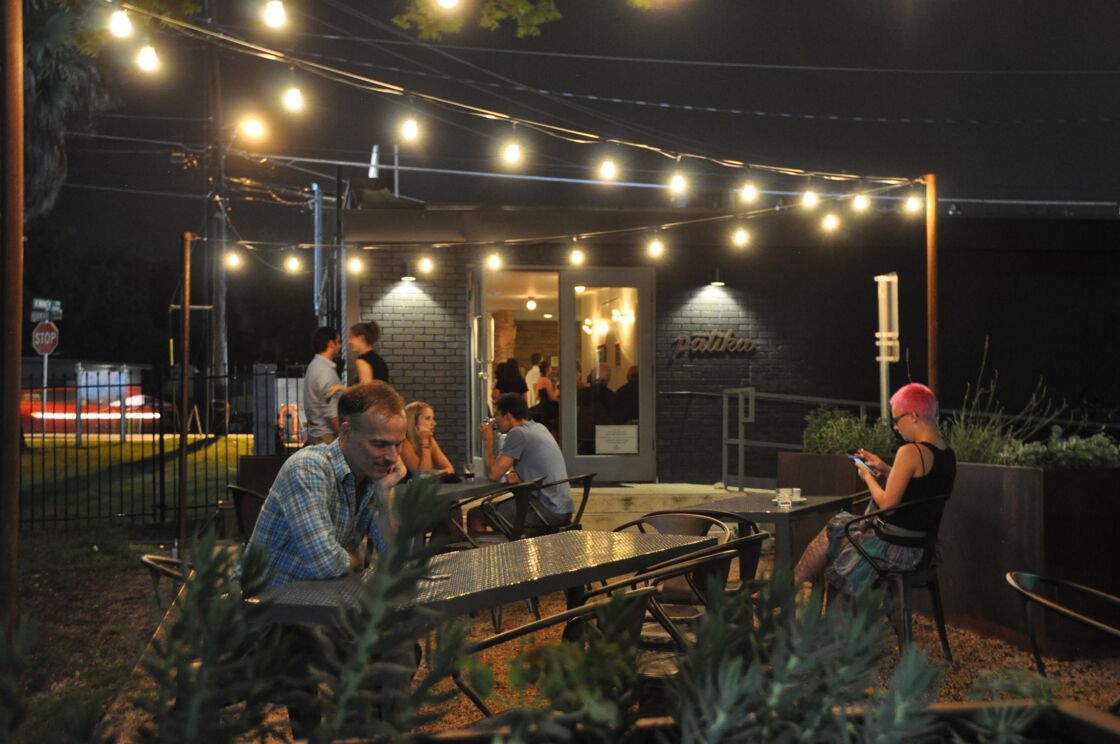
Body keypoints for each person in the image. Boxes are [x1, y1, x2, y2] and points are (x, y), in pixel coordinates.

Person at [793, 383, 957, 596]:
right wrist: (887, 469)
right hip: (923, 548)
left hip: (894, 549)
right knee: (841, 527)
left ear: (914, 416)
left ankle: (790, 588)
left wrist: (867, 477)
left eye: (897, 420)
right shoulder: (947, 454)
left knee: (836, 529)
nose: (895, 428)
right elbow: (921, 487)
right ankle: (791, 586)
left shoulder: (910, 451)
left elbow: (887, 506)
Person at [242, 381, 408, 586]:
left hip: (316, 601)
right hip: (260, 603)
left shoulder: (372, 475)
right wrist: (356, 560)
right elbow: (325, 565)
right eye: (380, 444)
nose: (393, 457)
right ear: (346, 432)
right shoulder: (308, 468)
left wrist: (384, 495)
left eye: (398, 444)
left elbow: (397, 558)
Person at [476, 393, 573, 530]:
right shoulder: (539, 428)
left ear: (508, 416)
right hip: (562, 507)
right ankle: (510, 546)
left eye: (497, 414)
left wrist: (488, 441)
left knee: (477, 515)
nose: (494, 420)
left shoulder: (518, 434)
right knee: (499, 515)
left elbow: (493, 474)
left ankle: (492, 551)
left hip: (547, 509)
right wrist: (515, 473)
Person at [303, 326, 343, 445]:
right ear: (331, 343)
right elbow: (331, 412)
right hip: (327, 436)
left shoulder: (314, 366)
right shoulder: (325, 371)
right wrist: (345, 437)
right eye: (339, 342)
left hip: (317, 434)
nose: (340, 346)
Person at [400, 400, 454, 478]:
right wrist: (424, 441)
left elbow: (450, 469)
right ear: (413, 422)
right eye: (428, 418)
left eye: (433, 418)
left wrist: (434, 474)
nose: (434, 423)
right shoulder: (403, 442)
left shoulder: (430, 439)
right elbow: (423, 474)